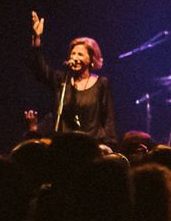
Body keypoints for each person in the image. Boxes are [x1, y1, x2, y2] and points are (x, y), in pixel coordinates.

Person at [27, 11, 116, 139]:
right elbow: (39, 70)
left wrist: (109, 145)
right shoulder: (62, 80)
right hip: (66, 144)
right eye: (72, 54)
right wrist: (37, 39)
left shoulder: (101, 83)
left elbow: (108, 118)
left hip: (93, 144)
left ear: (91, 59)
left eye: (80, 54)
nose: (75, 57)